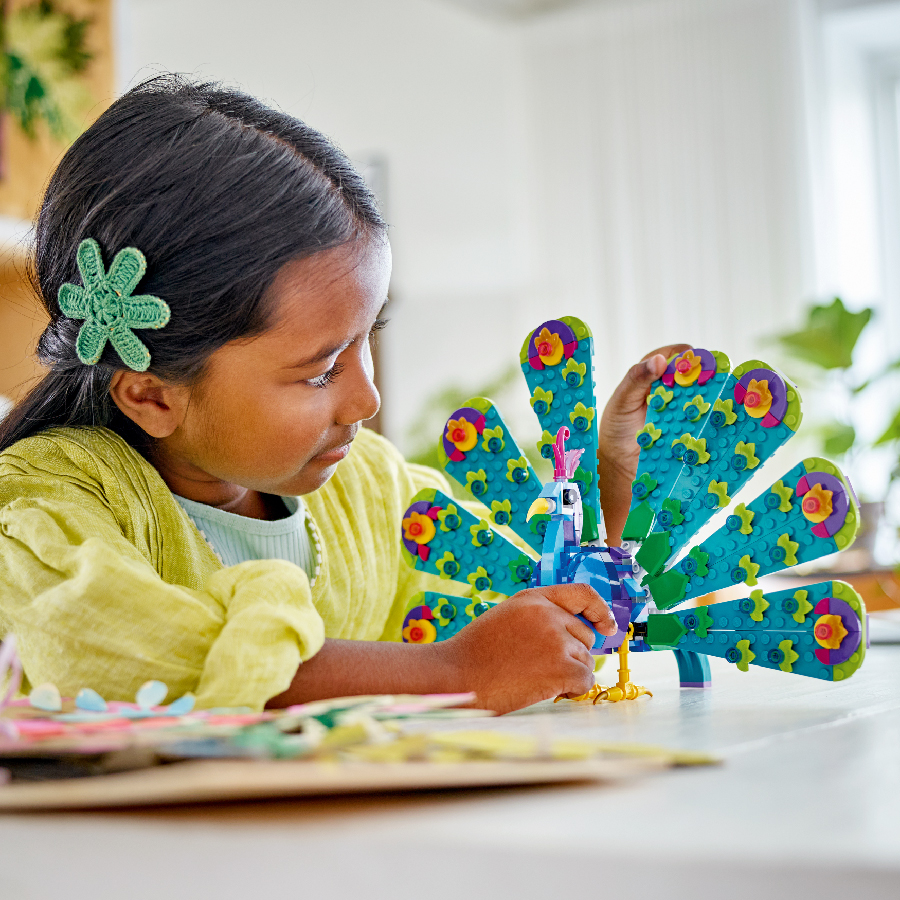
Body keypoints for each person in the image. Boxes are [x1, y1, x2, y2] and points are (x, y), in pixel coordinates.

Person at [0, 76, 686, 715]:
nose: (367, 400)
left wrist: (609, 482)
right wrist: (451, 673)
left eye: (368, 339)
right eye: (321, 370)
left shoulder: (370, 491)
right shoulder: (44, 509)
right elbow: (128, 661)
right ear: (152, 396)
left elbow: (522, 600)